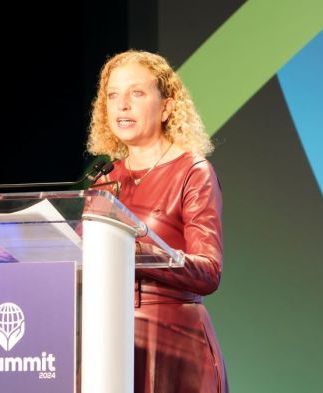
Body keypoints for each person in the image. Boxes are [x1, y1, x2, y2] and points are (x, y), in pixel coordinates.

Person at [87, 50, 228, 393]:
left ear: (166, 106)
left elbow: (208, 270)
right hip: (108, 343)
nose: (122, 105)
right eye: (113, 95)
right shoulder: (104, 180)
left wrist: (134, 254)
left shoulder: (193, 173)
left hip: (175, 343)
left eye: (136, 93)